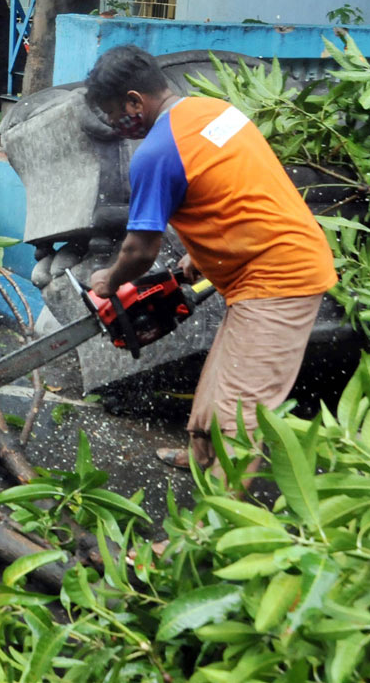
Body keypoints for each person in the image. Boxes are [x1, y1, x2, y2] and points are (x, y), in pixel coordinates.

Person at [84, 45, 336, 474]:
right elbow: (235, 186)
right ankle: (200, 459)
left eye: (114, 113)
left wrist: (108, 280)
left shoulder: (156, 152)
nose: (115, 124)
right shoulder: (215, 111)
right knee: (217, 382)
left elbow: (139, 251)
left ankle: (209, 534)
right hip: (263, 267)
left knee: (242, 413)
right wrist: (197, 253)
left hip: (280, 280)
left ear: (133, 101)